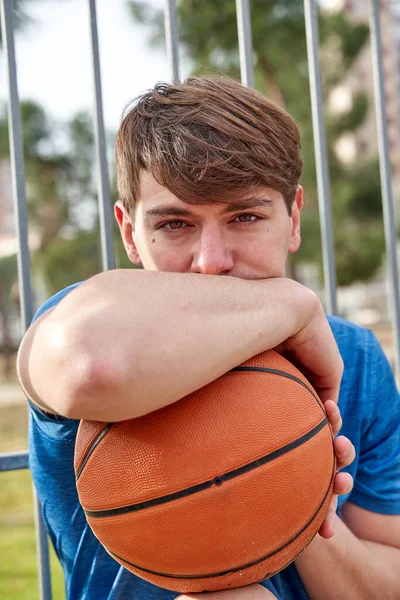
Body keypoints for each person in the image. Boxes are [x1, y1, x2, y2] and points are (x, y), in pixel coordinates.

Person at [16, 77, 400, 600]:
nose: (211, 262)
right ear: (130, 233)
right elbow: (92, 364)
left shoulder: (352, 356)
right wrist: (291, 305)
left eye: (245, 217)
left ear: (293, 219)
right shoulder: (82, 322)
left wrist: (287, 489)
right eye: (175, 224)